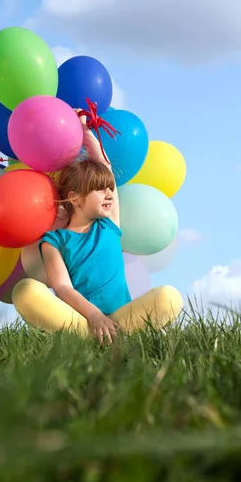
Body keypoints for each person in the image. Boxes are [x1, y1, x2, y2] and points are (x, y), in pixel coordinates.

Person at [12, 111, 183, 343]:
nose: (110, 193)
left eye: (110, 188)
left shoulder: (108, 224)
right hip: (80, 319)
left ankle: (109, 333)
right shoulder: (53, 241)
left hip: (122, 316)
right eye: (100, 189)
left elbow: (106, 166)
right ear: (74, 198)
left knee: (169, 297)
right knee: (25, 291)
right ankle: (94, 335)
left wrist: (84, 130)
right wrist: (93, 315)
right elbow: (62, 287)